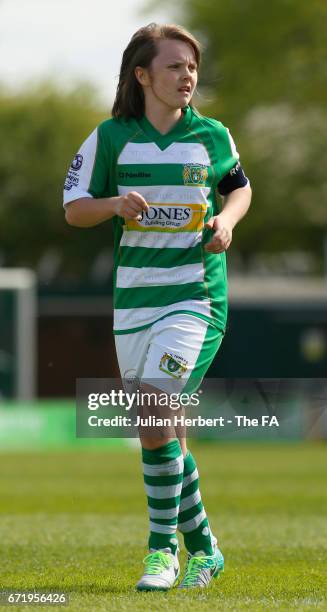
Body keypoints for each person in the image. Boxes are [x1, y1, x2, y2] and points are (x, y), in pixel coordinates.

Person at [63, 23, 252, 591]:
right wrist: (115, 204)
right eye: (174, 66)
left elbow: (239, 187)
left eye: (191, 66)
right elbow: (74, 209)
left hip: (196, 298)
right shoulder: (110, 138)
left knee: (151, 411)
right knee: (161, 430)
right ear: (142, 75)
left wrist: (227, 220)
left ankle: (160, 552)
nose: (187, 75)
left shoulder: (213, 135)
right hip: (134, 305)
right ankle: (205, 548)